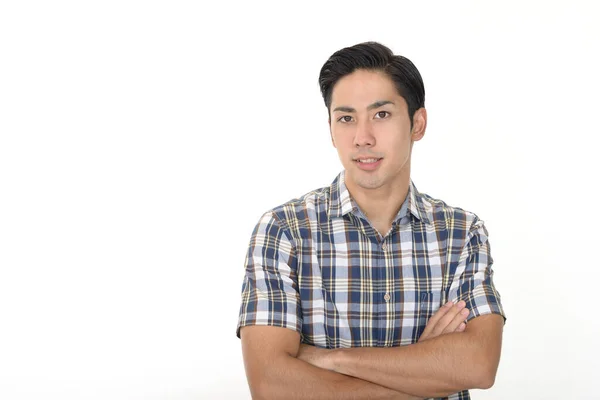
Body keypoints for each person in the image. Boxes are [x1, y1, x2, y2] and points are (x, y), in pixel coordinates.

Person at [236, 41, 506, 400]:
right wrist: (424, 372)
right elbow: (271, 385)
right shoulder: (285, 231)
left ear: (418, 123)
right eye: (346, 118)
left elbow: (478, 365)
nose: (362, 138)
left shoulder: (461, 234)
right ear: (331, 129)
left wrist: (331, 359)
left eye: (381, 114)